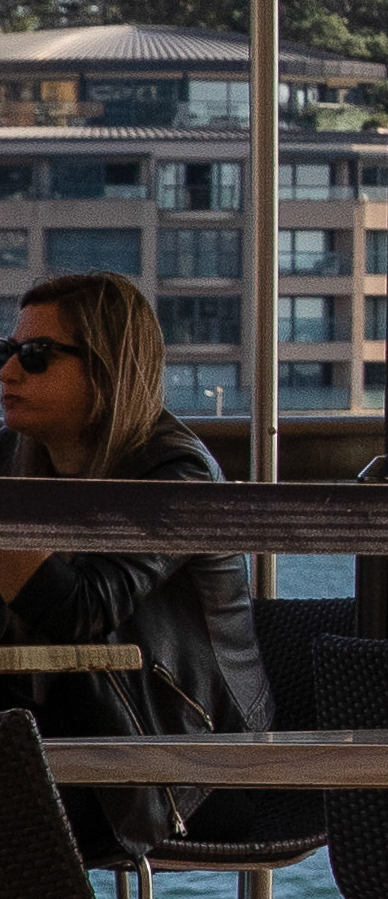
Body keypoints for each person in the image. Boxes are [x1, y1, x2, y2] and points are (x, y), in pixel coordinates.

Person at [0, 271, 261, 846]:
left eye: (37, 355)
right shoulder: (14, 456)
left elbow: (82, 610)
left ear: (107, 366)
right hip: (50, 728)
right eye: (9, 350)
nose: (9, 370)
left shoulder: (174, 471)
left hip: (182, 756)